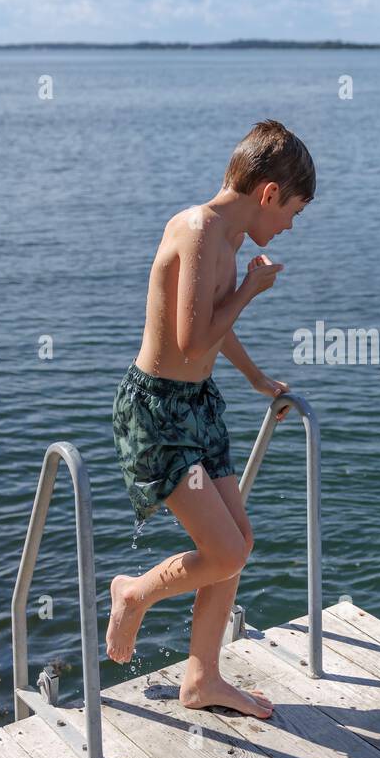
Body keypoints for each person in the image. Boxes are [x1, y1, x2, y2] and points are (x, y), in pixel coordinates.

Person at [106, 118, 314, 718]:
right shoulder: (198, 229)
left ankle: (202, 679)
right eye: (292, 213)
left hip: (198, 407)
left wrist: (255, 378)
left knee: (239, 544)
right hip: (159, 415)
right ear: (268, 193)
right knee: (222, 551)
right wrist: (251, 289)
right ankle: (134, 592)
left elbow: (212, 333)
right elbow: (191, 340)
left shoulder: (227, 242)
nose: (289, 228)